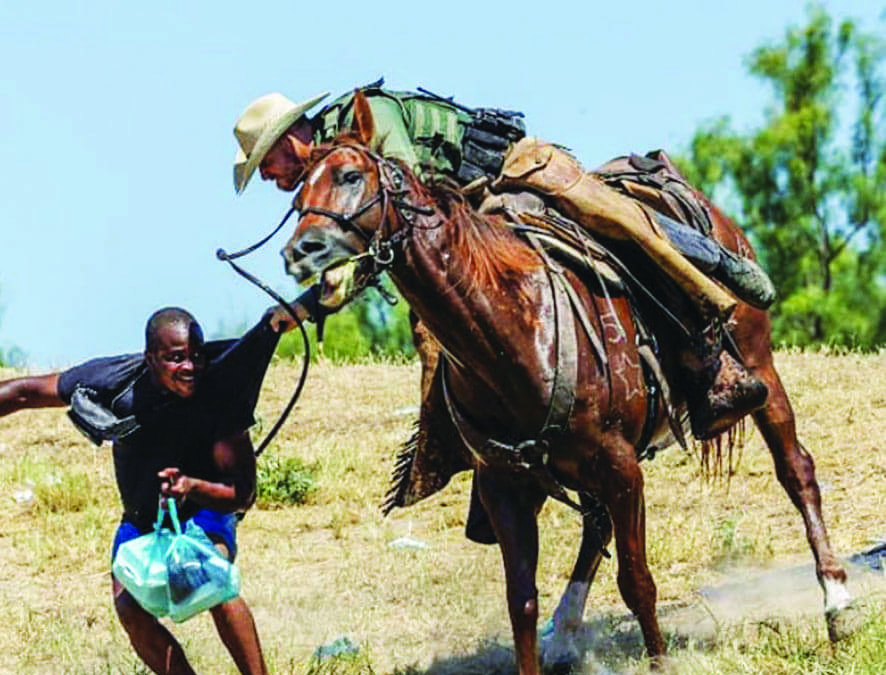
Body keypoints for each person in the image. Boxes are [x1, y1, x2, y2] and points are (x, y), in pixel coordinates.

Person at [231, 81, 774, 445]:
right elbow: (360, 254)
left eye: (268, 165)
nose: (270, 179)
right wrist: (305, 304)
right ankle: (469, 447)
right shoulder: (331, 183)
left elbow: (404, 210)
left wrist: (320, 292)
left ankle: (711, 316)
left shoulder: (368, 120)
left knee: (617, 223)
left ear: (291, 139)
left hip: (514, 174)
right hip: (468, 223)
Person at [0, 307, 294, 675]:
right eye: (177, 358)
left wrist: (191, 486)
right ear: (150, 358)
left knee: (209, 580)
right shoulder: (114, 380)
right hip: (142, 521)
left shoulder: (219, 392)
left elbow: (242, 493)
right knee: (130, 609)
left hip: (203, 510)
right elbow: (27, 393)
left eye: (197, 356)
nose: (191, 368)